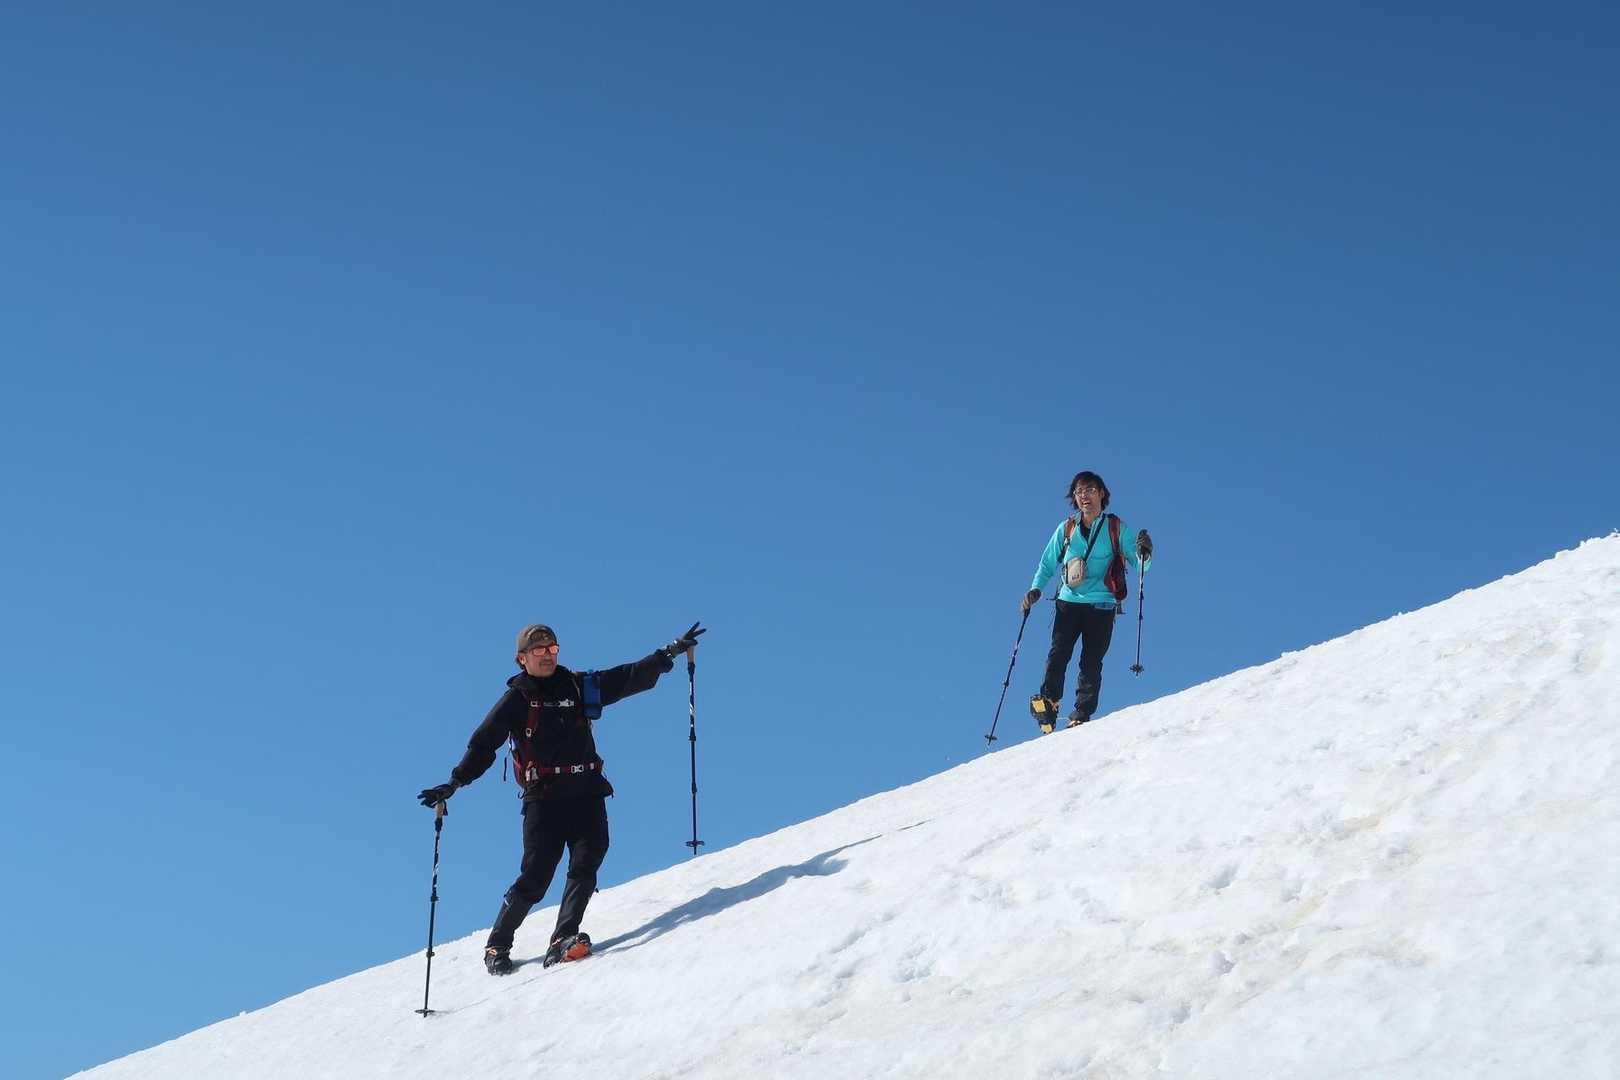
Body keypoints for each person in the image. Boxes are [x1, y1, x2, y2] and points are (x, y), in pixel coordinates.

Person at [417, 620, 706, 974]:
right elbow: (484, 745)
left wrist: (666, 654)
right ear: (522, 658)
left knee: (588, 859)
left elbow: (626, 678)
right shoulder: (517, 699)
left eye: (552, 648)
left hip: (587, 791)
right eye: (539, 650)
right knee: (537, 875)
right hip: (544, 798)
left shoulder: (577, 685)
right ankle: (497, 943)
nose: (548, 655)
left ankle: (562, 938)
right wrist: (455, 782)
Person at [1022, 471, 1152, 732]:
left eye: (1090, 490)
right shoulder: (1067, 528)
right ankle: (1049, 703)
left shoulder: (1116, 528)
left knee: (1091, 661)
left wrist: (1144, 552)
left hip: (1102, 604)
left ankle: (1081, 712)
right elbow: (1047, 563)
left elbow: (1140, 565)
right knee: (1058, 654)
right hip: (1068, 602)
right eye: (1079, 491)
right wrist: (1035, 589)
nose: (1085, 496)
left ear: (1102, 493)